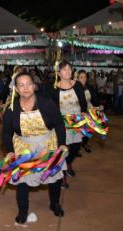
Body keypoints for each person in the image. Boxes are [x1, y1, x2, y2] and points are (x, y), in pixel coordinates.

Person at [3, 72, 67, 224]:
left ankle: (55, 204)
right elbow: (6, 132)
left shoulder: (46, 103)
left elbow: (59, 124)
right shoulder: (12, 108)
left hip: (47, 143)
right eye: (21, 85)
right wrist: (10, 150)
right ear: (16, 89)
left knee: (53, 177)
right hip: (24, 146)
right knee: (22, 180)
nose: (26, 88)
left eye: (29, 84)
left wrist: (62, 143)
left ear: (34, 86)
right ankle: (23, 211)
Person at [51, 60, 87, 189]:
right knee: (63, 149)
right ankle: (63, 177)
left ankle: (69, 162)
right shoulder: (54, 88)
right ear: (59, 73)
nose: (68, 71)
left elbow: (83, 102)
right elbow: (53, 108)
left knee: (76, 147)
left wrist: (84, 112)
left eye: (69, 69)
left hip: (77, 121)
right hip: (62, 123)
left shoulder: (77, 85)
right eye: (64, 69)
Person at [77, 70, 100, 153]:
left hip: (90, 111)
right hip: (79, 111)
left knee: (89, 129)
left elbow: (95, 100)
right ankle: (77, 146)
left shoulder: (89, 87)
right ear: (77, 78)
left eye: (85, 77)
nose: (83, 79)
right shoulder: (74, 88)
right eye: (81, 77)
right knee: (79, 130)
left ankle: (85, 143)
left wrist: (97, 107)